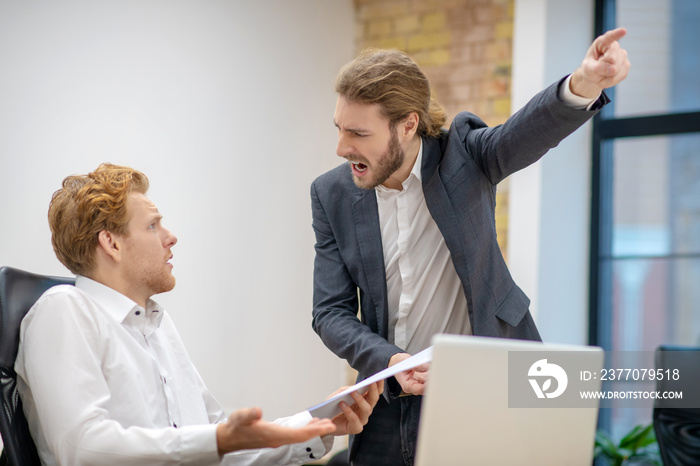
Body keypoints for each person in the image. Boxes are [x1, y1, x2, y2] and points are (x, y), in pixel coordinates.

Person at [310, 28, 630, 466]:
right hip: (389, 398)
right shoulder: (331, 194)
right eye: (339, 129)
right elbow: (330, 311)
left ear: (407, 125)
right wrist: (391, 361)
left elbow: (523, 133)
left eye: (358, 133)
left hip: (487, 389)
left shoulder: (464, 155)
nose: (342, 147)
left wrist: (584, 83)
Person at [15, 163, 383, 465]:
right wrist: (217, 440)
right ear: (110, 243)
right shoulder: (64, 310)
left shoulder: (157, 325)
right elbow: (82, 449)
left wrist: (317, 425)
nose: (170, 237)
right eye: (153, 225)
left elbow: (219, 445)